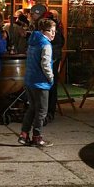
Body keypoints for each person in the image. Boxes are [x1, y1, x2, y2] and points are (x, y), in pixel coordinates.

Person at [18, 18, 56, 148]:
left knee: (32, 108)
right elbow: (45, 64)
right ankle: (37, 137)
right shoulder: (45, 44)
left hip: (30, 80)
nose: (53, 34)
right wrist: (51, 77)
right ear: (44, 31)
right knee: (41, 111)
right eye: (52, 31)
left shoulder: (32, 42)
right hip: (41, 82)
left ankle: (24, 134)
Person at [44, 10, 65, 123]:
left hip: (52, 59)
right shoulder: (57, 29)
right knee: (51, 84)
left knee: (50, 84)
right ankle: (49, 110)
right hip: (53, 59)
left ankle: (49, 110)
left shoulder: (52, 33)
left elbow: (58, 42)